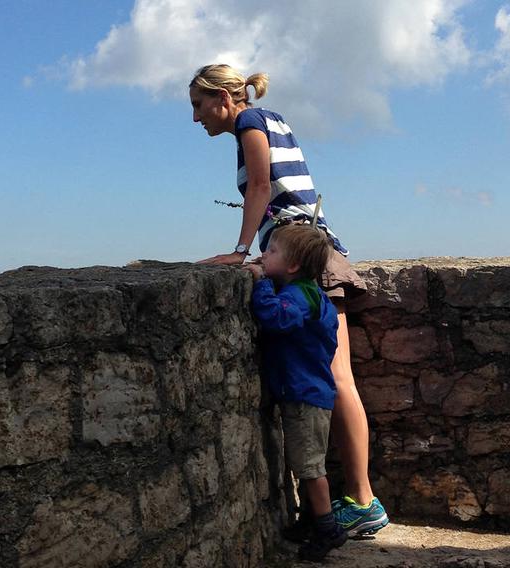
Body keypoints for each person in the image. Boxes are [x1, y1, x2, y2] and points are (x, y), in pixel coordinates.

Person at [189, 63, 389, 536]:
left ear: (223, 99)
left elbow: (261, 186)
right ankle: (362, 499)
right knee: (339, 377)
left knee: (338, 378)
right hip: (313, 246)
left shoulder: (250, 123)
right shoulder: (269, 119)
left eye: (198, 106)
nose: (196, 118)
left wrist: (241, 253)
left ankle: (362, 501)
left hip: (301, 251)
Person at [243, 223, 346, 561]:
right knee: (304, 461)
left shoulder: (299, 296)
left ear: (292, 266)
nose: (263, 255)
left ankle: (328, 528)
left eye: (271, 251)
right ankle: (310, 520)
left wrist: (261, 284)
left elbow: (276, 318)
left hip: (306, 395)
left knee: (310, 467)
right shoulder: (312, 295)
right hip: (308, 391)